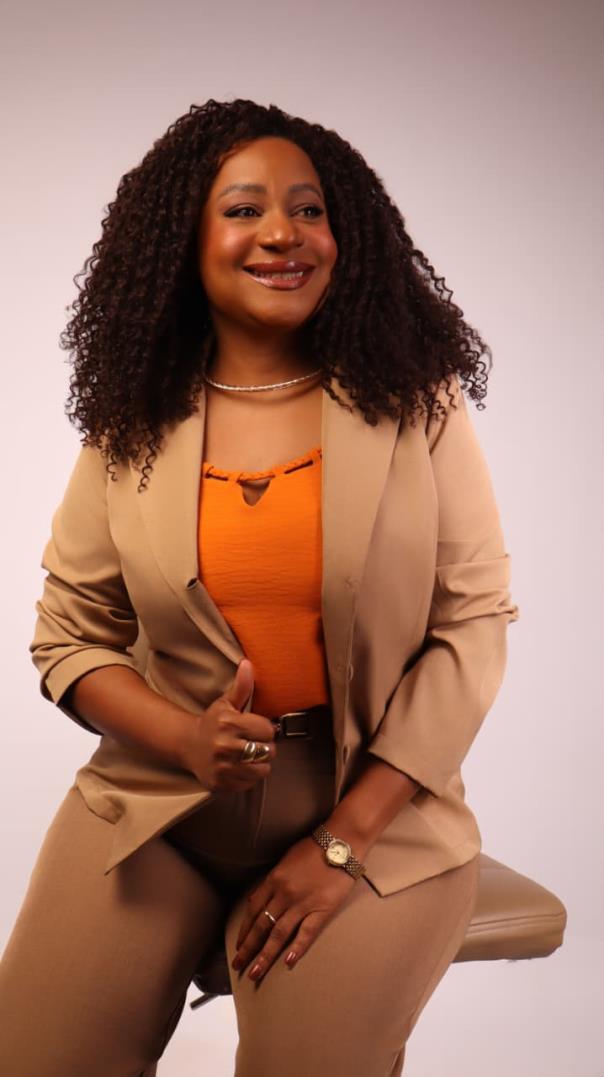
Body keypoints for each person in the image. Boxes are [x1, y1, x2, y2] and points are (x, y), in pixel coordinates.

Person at [0, 98, 520, 1076]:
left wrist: (342, 844)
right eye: (244, 210)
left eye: (308, 210)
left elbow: (474, 624)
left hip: (373, 816)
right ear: (185, 242)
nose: (283, 233)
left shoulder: (416, 401)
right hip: (158, 806)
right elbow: (69, 637)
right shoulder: (132, 419)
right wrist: (181, 737)